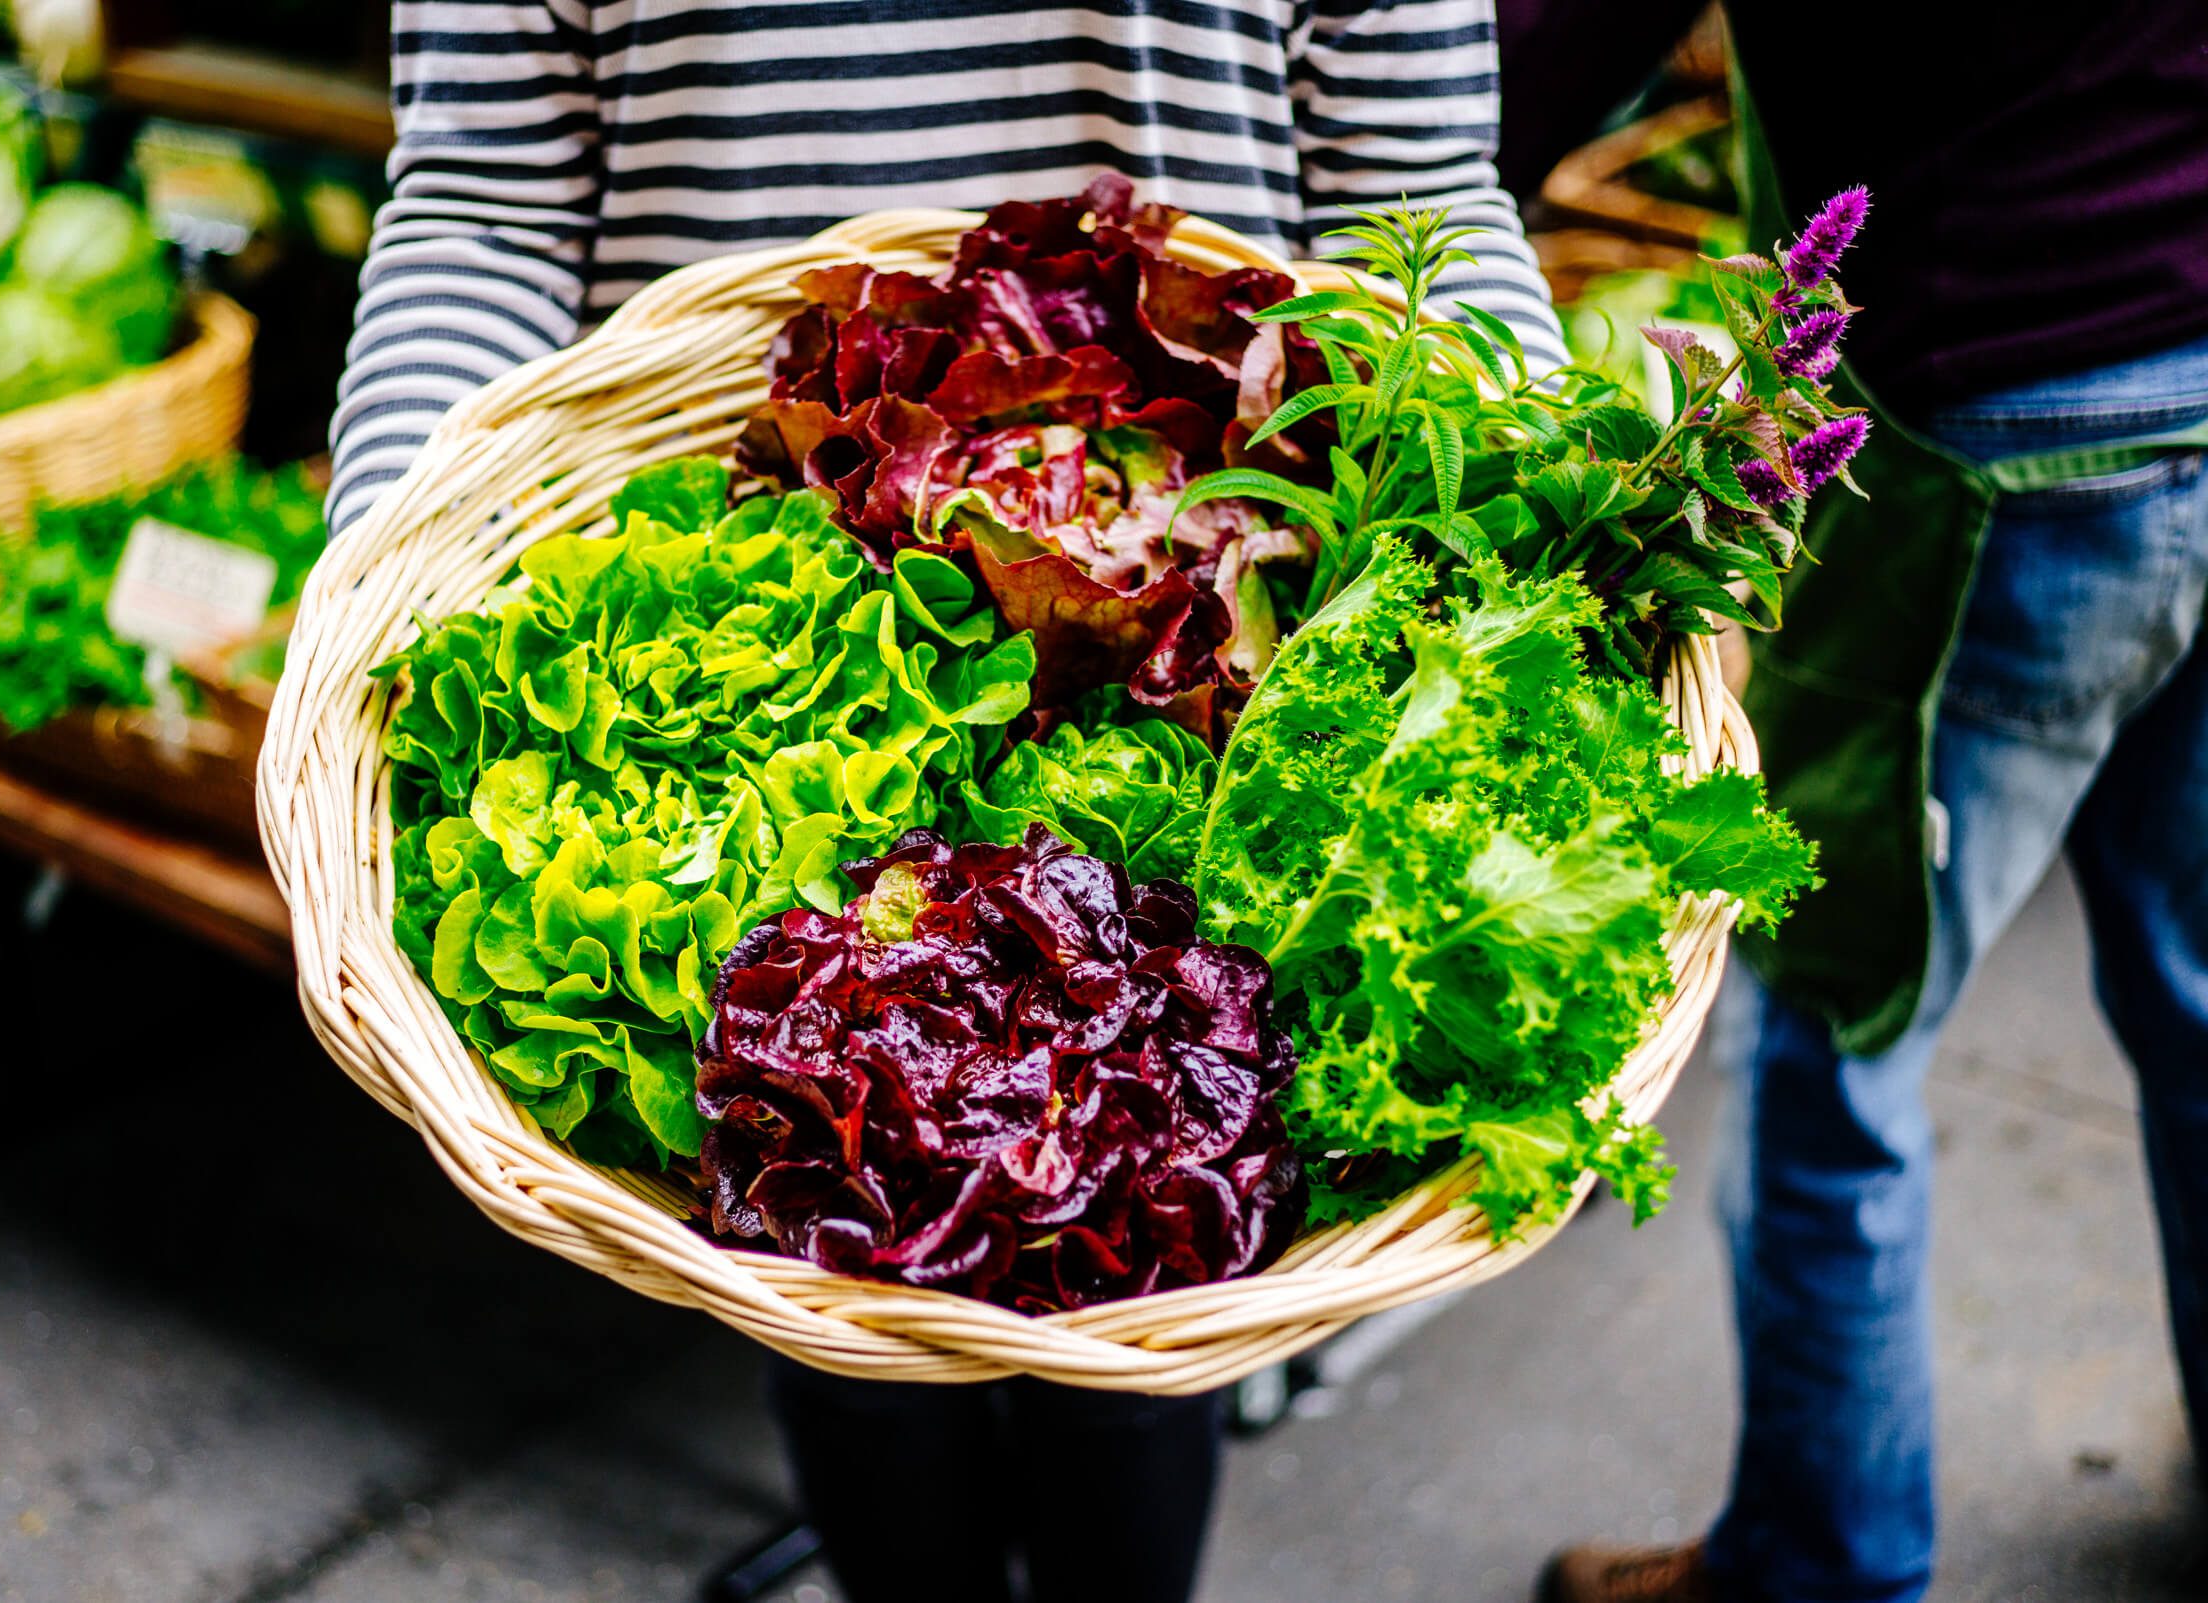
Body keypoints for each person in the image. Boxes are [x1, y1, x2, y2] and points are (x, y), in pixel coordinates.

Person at [327, 6, 1567, 1601]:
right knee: (838, 1227)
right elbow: (485, 203)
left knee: (1155, 1240)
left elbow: (1424, 190)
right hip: (750, 534)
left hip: (1239, 639)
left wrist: (1550, 570)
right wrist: (390, 569)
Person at [1540, 5, 2208, 1602]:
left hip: (2017, 428)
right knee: (2196, 988)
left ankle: (1819, 1568)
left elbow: (1536, 53)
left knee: (1837, 1047)